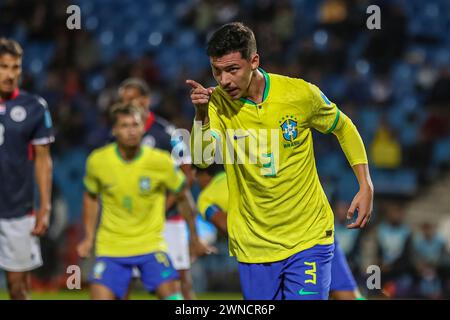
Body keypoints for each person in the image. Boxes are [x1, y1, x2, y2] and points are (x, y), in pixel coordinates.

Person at [188, 22, 373, 300]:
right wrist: (201, 115)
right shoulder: (216, 104)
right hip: (254, 244)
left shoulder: (299, 94)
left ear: (254, 61)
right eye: (217, 71)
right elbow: (202, 161)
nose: (223, 80)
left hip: (308, 236)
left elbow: (343, 126)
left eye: (232, 69)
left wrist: (365, 183)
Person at [77, 103, 212, 300]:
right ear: (114, 130)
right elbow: (90, 197)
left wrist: (195, 236)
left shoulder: (161, 162)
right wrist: (89, 237)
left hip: (151, 247)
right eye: (124, 126)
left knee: (176, 298)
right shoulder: (98, 162)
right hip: (112, 247)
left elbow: (182, 194)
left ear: (143, 127)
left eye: (135, 125)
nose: (131, 131)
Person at [195, 166, 365, 300]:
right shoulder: (246, 173)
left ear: (202, 175)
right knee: (347, 295)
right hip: (315, 229)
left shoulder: (206, 196)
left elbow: (226, 225)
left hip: (277, 244)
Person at [117, 78, 198, 299]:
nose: (127, 105)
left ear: (146, 100)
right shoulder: (118, 135)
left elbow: (188, 173)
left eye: (132, 99)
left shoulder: (167, 132)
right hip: (133, 221)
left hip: (168, 220)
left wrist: (164, 205)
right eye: (123, 101)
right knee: (123, 283)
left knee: (180, 282)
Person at [0, 38, 54, 300]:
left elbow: (44, 159)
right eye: (3, 67)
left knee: (18, 288)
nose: (10, 74)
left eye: (15, 67)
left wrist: (45, 207)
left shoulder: (35, 107)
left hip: (18, 212)